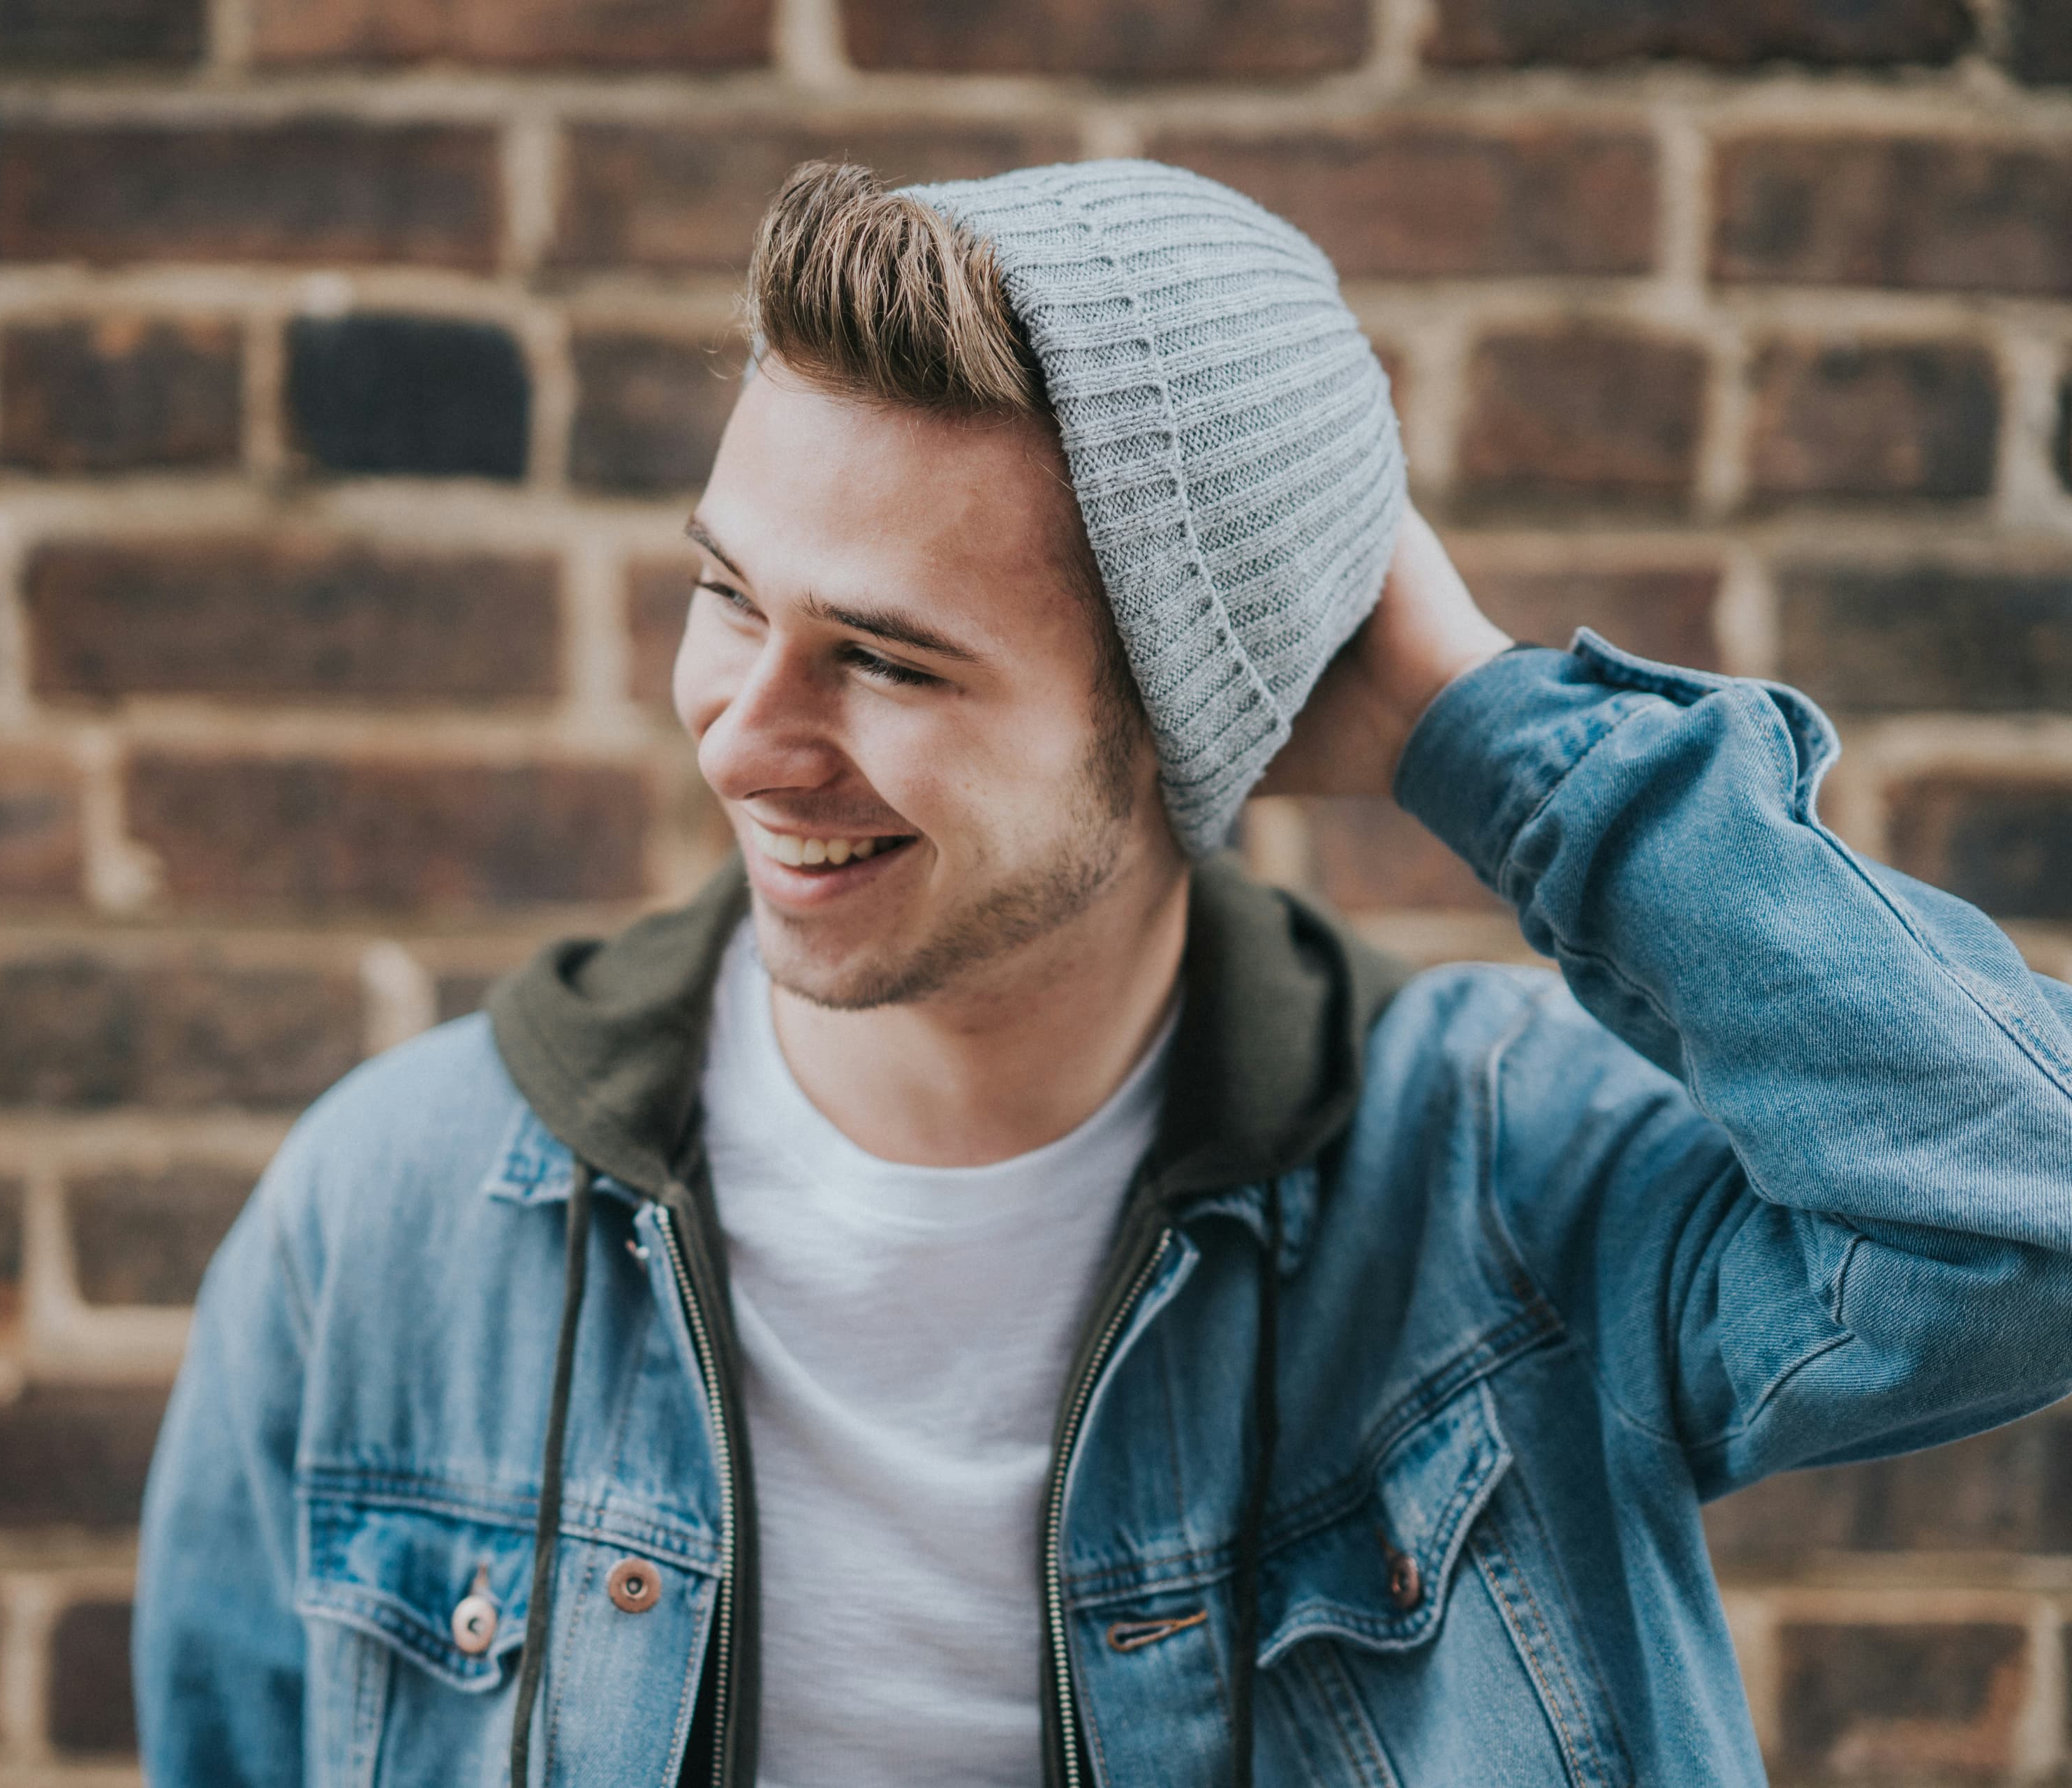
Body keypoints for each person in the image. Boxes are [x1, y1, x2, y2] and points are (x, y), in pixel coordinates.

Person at [133, 158, 2072, 1788]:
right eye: (731, 595)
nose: (741, 734)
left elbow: (2023, 1209)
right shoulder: (388, 1217)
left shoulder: (1503, 1188)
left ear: (1175, 725)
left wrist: (1470, 719)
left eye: (887, 659)